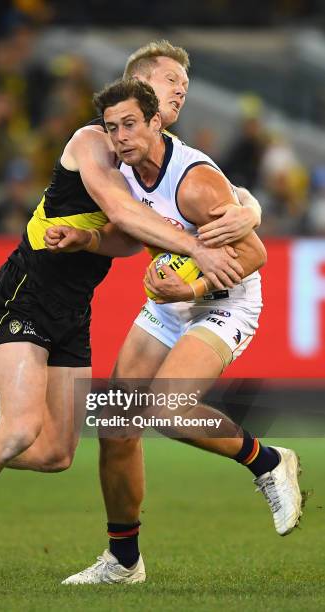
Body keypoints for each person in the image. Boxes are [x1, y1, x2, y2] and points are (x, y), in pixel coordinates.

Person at [0, 41, 260, 587]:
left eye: (184, 86)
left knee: (54, 454)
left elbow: (125, 236)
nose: (181, 91)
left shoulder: (159, 161)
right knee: (22, 429)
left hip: (73, 308)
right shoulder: (94, 141)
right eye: (171, 81)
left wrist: (248, 209)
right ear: (141, 87)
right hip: (26, 291)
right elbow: (121, 212)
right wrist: (197, 251)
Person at [43, 79, 303, 585]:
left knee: (166, 408)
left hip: (224, 301)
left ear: (156, 122)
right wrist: (85, 238)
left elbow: (254, 255)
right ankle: (123, 562)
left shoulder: (194, 182)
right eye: (113, 127)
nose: (120, 136)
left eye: (130, 125)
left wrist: (194, 288)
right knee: (116, 425)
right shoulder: (125, 170)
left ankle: (267, 460)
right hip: (170, 303)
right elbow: (128, 232)